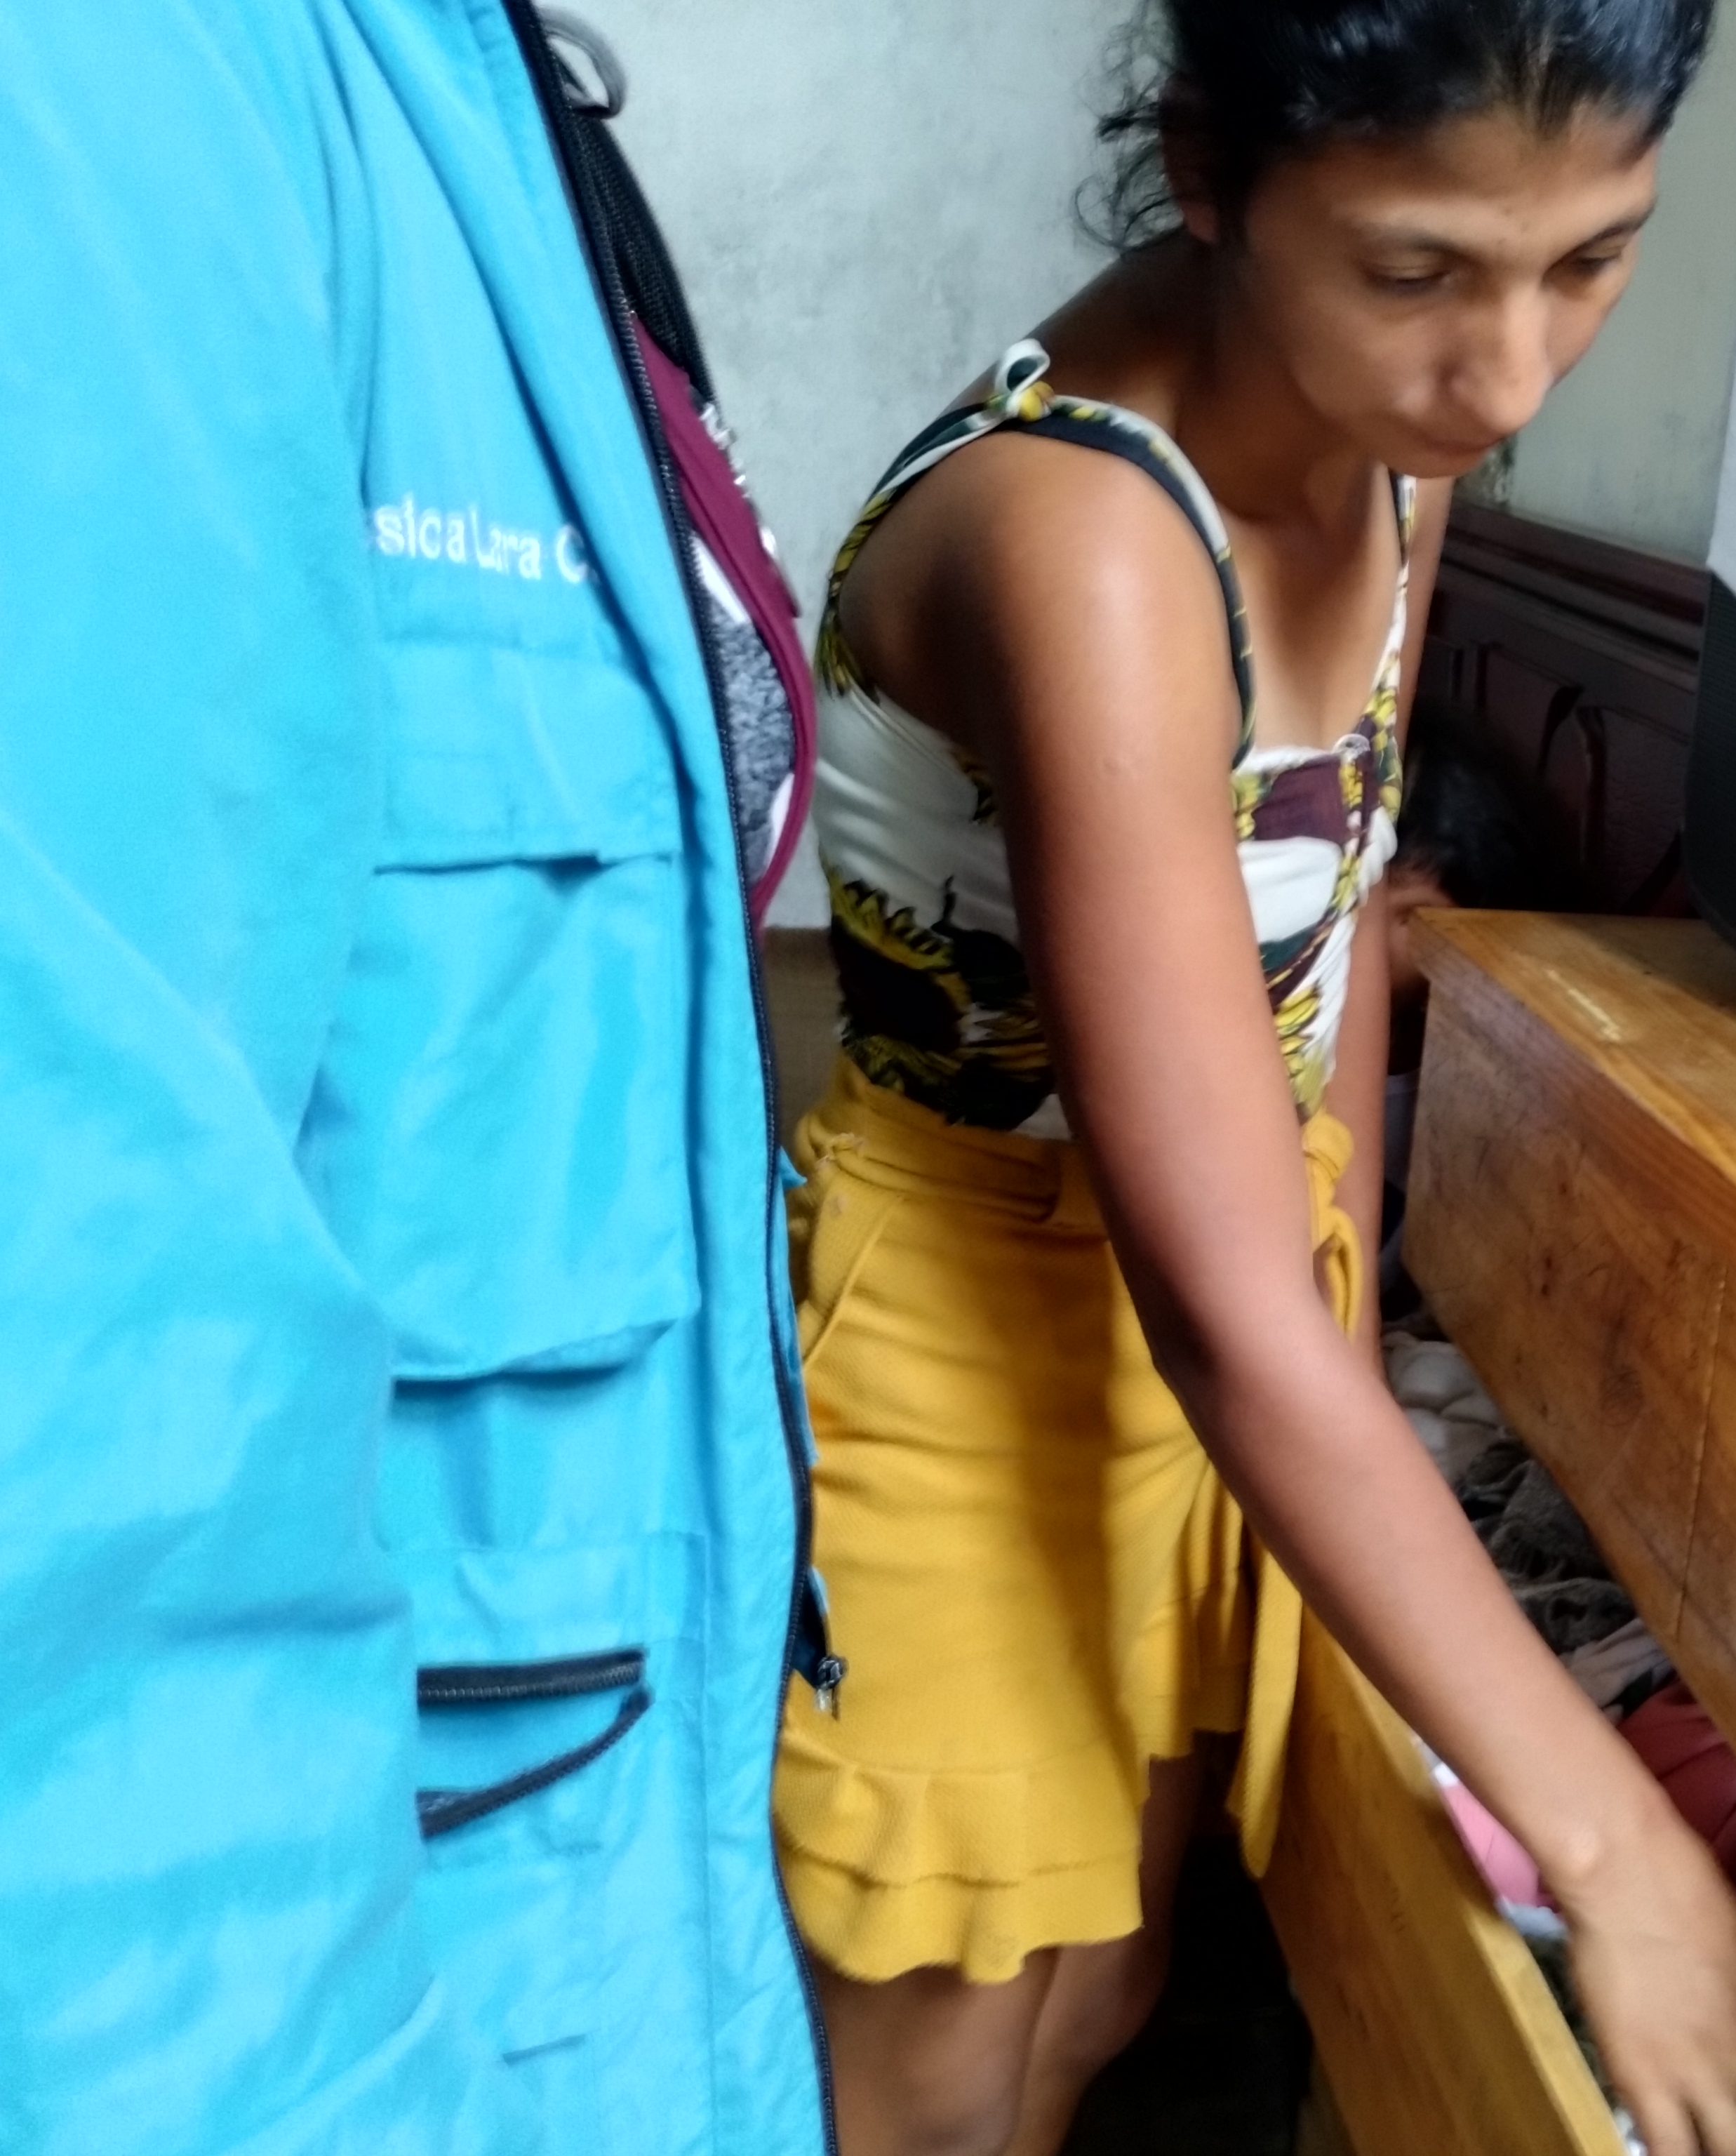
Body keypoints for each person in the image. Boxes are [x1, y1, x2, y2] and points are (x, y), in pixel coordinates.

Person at [773, 6, 1736, 2155]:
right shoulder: (1084, 538)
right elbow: (1215, 1322)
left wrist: (1340, 1316)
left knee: (1111, 1970)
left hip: (1249, 1271)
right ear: (1209, 168)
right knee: (941, 2064)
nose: (1510, 375)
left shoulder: (1391, 447)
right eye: (1418, 269)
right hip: (978, 1316)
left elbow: (1351, 904)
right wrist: (1620, 1855)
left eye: (1593, 259)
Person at [0, 6, 822, 2151]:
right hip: (348, 2011)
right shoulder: (110, 77)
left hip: (582, 1897)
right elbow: (73, 1514)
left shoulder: (455, 84)